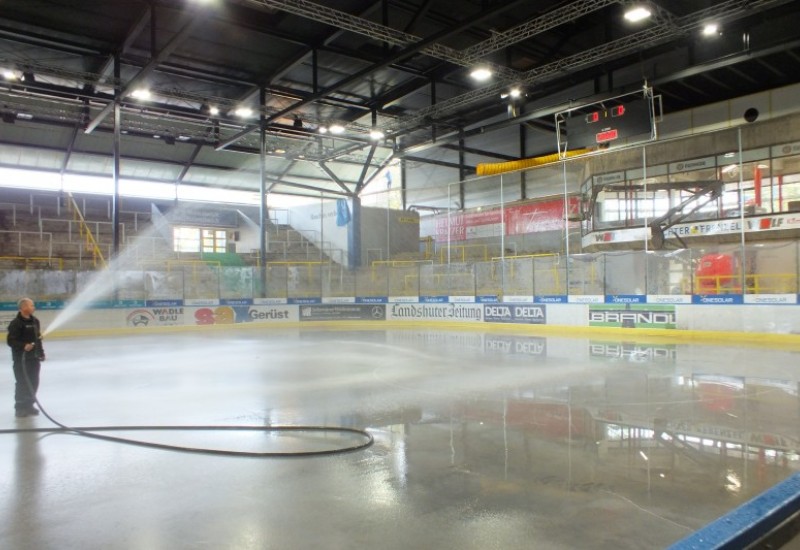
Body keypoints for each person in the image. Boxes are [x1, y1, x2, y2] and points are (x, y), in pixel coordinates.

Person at [7, 297, 46, 418]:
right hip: (21, 360)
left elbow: (37, 338)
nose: (33, 307)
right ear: (23, 307)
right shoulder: (16, 323)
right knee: (22, 382)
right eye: (31, 305)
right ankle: (20, 408)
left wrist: (41, 353)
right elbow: (10, 341)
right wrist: (24, 346)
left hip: (33, 358)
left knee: (34, 382)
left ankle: (29, 405)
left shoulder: (35, 321)